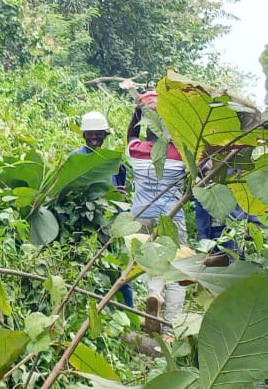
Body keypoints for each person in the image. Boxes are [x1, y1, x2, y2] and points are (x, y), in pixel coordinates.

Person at [126, 91, 188, 338]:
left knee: (149, 263)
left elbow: (131, 135)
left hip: (141, 215)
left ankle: (153, 293)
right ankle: (170, 329)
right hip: (171, 216)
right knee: (178, 269)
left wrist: (137, 111)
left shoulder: (136, 150)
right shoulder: (180, 152)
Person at [68, 110, 132, 306]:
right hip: (85, 222)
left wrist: (120, 195)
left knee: (119, 269)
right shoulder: (76, 158)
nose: (94, 137)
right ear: (84, 134)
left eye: (98, 133)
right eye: (90, 133)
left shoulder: (113, 160)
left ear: (105, 134)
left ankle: (129, 310)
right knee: (88, 268)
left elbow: (120, 188)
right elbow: (68, 187)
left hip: (111, 222)